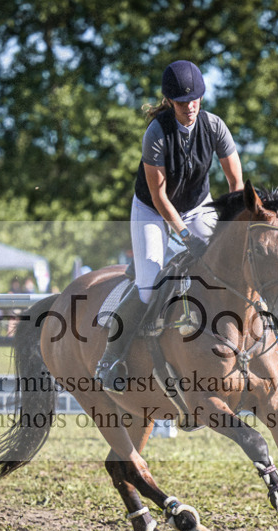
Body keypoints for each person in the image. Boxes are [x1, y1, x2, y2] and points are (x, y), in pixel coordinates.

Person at [95, 59, 244, 392]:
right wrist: (185, 236)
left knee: (228, 262)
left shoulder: (215, 126)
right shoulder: (156, 133)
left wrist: (234, 225)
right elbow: (160, 197)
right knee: (149, 283)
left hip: (197, 206)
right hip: (152, 209)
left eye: (195, 100)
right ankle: (111, 356)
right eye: (181, 102)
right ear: (169, 101)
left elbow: (236, 184)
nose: (190, 107)